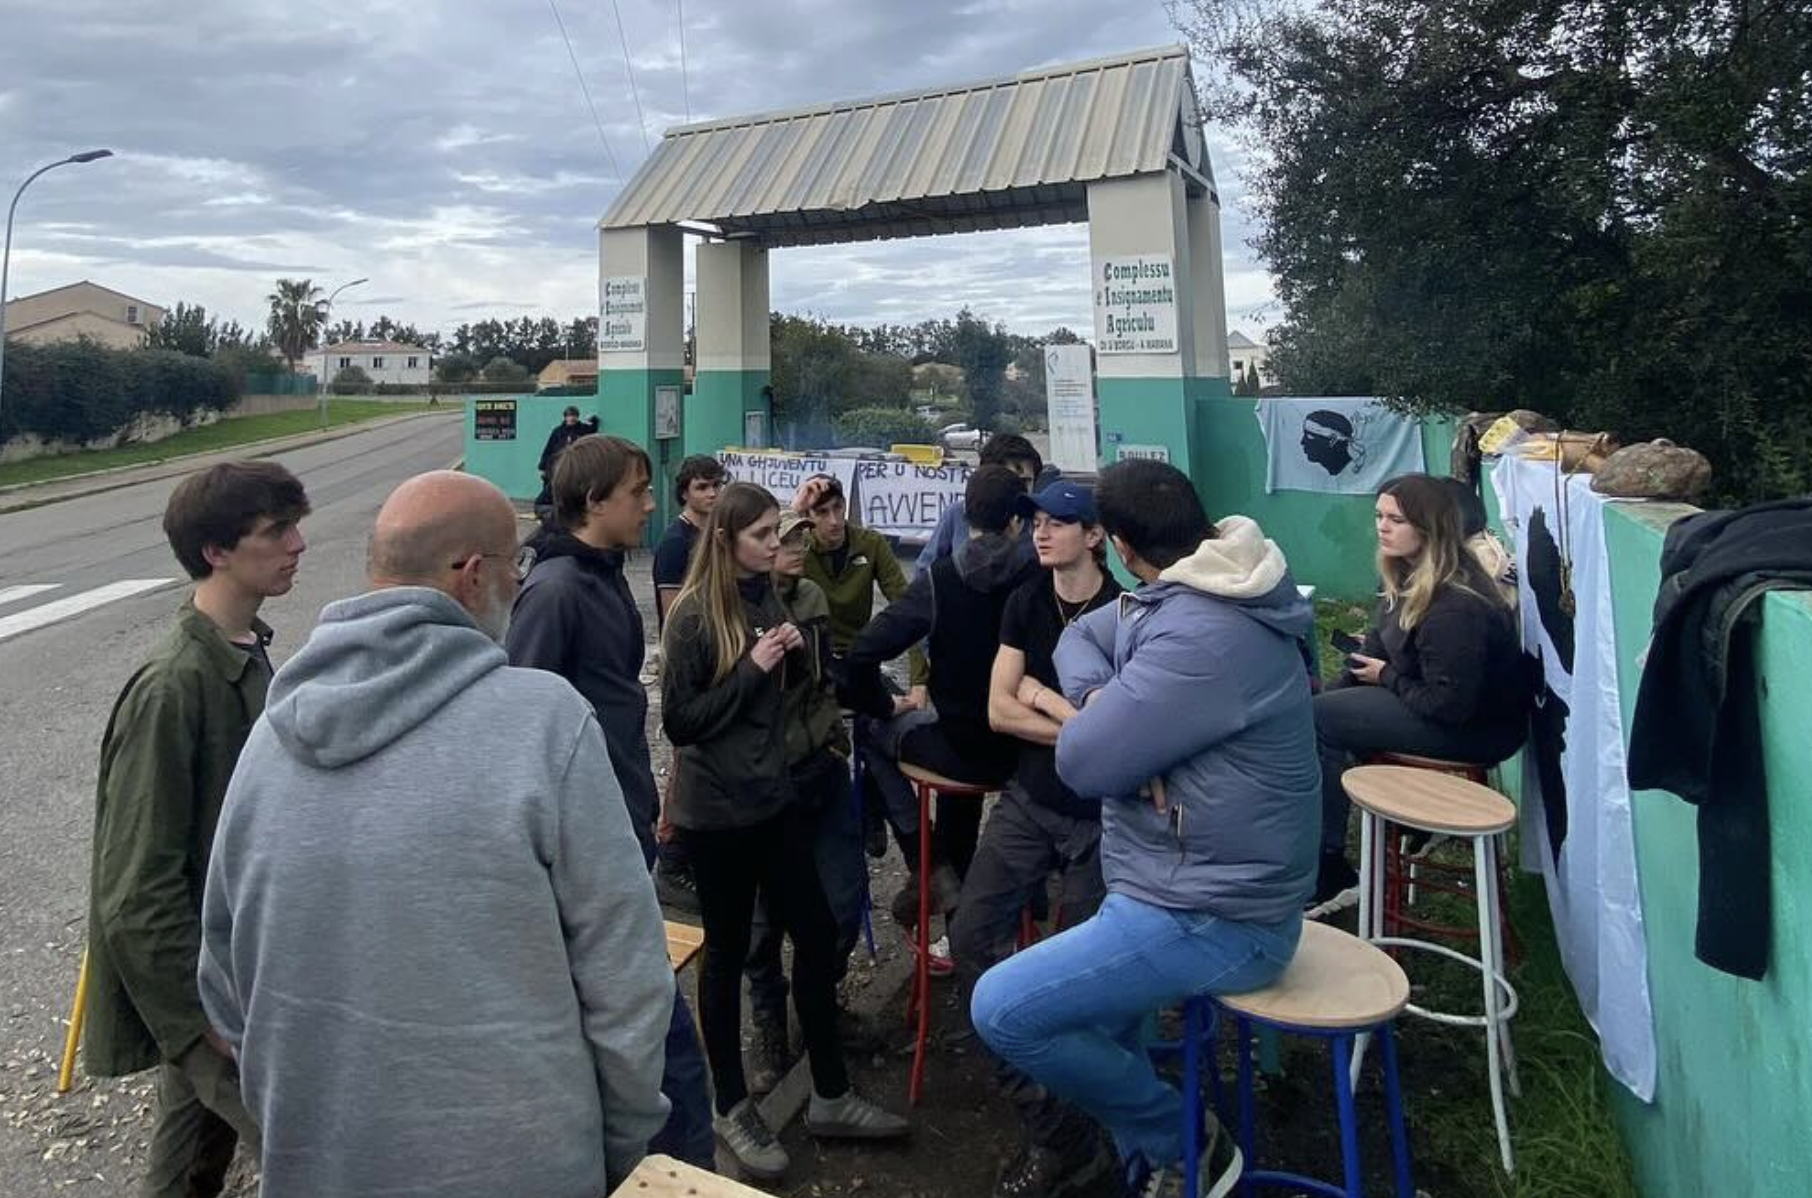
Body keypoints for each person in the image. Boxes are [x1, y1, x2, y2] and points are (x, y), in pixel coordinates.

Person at [198, 471, 673, 1198]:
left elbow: (224, 978)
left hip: (321, 1163)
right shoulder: (545, 721)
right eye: (514, 567)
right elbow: (628, 982)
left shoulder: (272, 731)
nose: (521, 583)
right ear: (472, 576)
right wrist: (614, 1142)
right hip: (524, 1165)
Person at [971, 458, 1320, 1198]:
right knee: (1098, 1026)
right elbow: (1082, 639)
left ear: (1120, 549)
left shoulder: (1203, 637)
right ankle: (1157, 1165)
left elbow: (1082, 762)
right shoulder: (1202, 582)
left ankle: (1185, 1141)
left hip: (1217, 914)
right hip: (1166, 882)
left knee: (1002, 1009)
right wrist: (1105, 698)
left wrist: (1093, 723)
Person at [662, 483, 909, 1182]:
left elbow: (785, 695)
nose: (779, 546)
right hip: (721, 817)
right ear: (726, 541)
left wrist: (800, 660)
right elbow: (682, 722)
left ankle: (829, 1091)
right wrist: (752, 670)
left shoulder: (769, 597)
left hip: (778, 800)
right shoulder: (692, 619)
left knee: (816, 928)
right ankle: (731, 1104)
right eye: (764, 535)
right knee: (731, 950)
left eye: (779, 533)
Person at [85, 460, 308, 1198]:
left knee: (187, 1165)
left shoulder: (246, 652)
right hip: (209, 990)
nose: (298, 544)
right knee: (319, 1150)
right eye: (276, 532)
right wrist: (195, 1019)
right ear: (216, 551)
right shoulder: (173, 685)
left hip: (239, 972)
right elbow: (134, 887)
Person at [505, 435, 715, 1169]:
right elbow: (520, 725)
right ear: (594, 503)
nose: (651, 504)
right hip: (587, 849)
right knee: (662, 1047)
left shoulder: (598, 576)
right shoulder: (558, 591)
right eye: (638, 492)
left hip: (621, 821)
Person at [957, 479, 1121, 1198]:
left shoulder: (1127, 612)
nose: (1043, 534)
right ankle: (1055, 1123)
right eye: (1038, 522)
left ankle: (1089, 1125)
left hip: (1101, 821)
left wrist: (1046, 702)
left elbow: (1122, 742)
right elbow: (998, 710)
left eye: (1062, 523)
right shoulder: (1026, 600)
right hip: (1028, 803)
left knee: (1082, 982)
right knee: (968, 937)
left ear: (1096, 536)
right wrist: (1083, 727)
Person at [841, 465, 1040, 959]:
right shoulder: (1041, 579)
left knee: (870, 727)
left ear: (963, 512)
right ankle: (984, 910)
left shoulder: (941, 579)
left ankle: (926, 864)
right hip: (1027, 751)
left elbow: (862, 654)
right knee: (961, 793)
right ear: (1019, 520)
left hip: (956, 746)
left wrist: (883, 702)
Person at [1310, 472, 1527, 913]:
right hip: (1432, 702)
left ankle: (1329, 868)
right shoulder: (1405, 575)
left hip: (1476, 729)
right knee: (1316, 713)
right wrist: (1340, 692)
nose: (1382, 527)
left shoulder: (1455, 606)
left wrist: (1387, 677)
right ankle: (1325, 842)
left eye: (1397, 519)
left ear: (1430, 529)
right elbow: (1373, 648)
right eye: (1379, 516)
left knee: (1319, 722)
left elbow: (1450, 705)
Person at [742, 507, 871, 1091]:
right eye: (780, 539)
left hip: (820, 769)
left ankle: (820, 1002)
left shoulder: (813, 597)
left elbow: (823, 680)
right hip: (766, 784)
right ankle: (772, 1025)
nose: (795, 547)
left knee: (842, 903)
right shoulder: (734, 610)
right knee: (762, 924)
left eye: (797, 538)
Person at [649, 453, 729, 911]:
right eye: (703, 487)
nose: (712, 494)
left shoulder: (713, 536)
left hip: (720, 664)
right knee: (687, 765)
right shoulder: (677, 542)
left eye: (717, 485)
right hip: (689, 672)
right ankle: (671, 859)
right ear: (685, 492)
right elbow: (673, 615)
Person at [913, 433, 1047, 575]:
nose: (1018, 489)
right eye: (1008, 480)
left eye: (1026, 481)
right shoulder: (957, 513)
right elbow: (924, 570)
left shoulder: (1042, 522)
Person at [535, 405, 600, 508]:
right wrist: (543, 466)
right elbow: (549, 448)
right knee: (552, 485)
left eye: (574, 415)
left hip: (575, 464)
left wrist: (594, 420)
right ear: (565, 417)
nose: (572, 418)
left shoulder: (582, 429)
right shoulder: (558, 431)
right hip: (558, 463)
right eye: (569, 416)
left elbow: (593, 429)